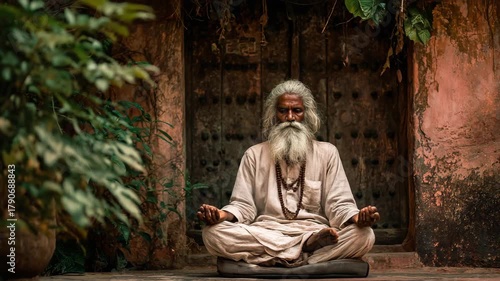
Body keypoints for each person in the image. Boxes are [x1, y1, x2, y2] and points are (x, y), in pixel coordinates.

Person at [197, 80, 380, 267]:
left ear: (306, 114)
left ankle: (276, 258)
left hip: (315, 231)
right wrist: (221, 216)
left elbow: (338, 204)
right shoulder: (254, 154)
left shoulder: (327, 153)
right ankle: (306, 254)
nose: (290, 117)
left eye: (297, 111)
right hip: (266, 233)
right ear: (274, 115)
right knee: (212, 233)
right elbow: (243, 206)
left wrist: (357, 218)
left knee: (364, 235)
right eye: (283, 111)